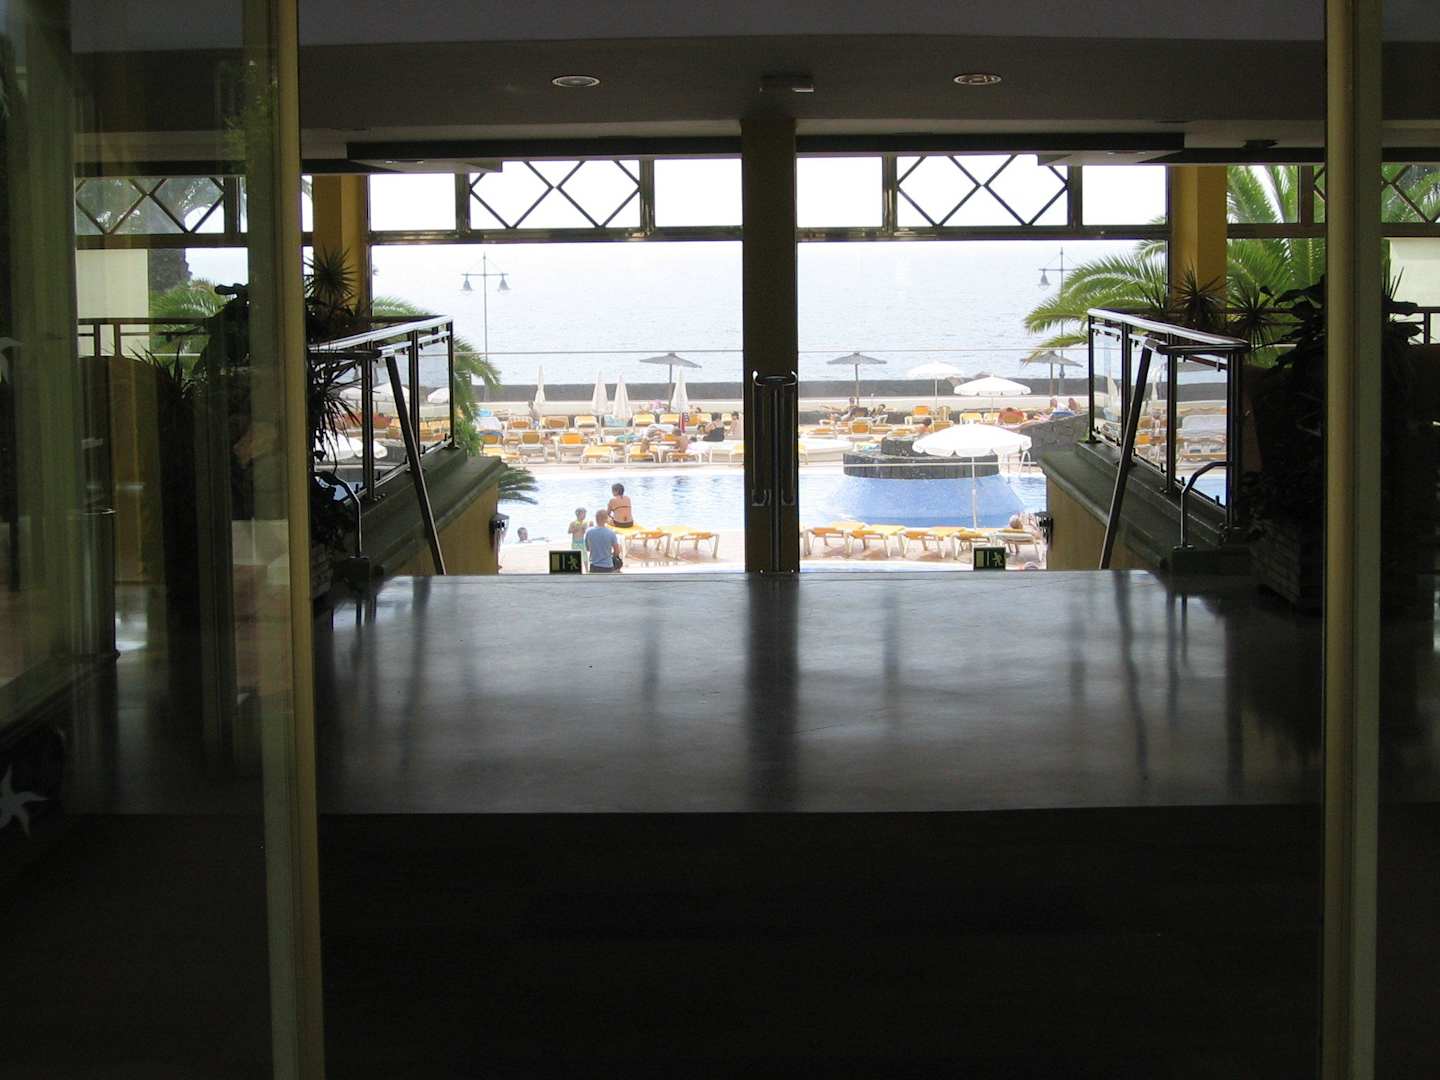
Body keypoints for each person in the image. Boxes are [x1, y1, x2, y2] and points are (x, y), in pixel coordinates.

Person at [585, 509, 623, 573]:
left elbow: (588, 548)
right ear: (606, 519)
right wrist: (611, 555)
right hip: (608, 566)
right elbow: (617, 551)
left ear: (596, 518)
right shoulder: (611, 533)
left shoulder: (589, 532)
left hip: (594, 566)